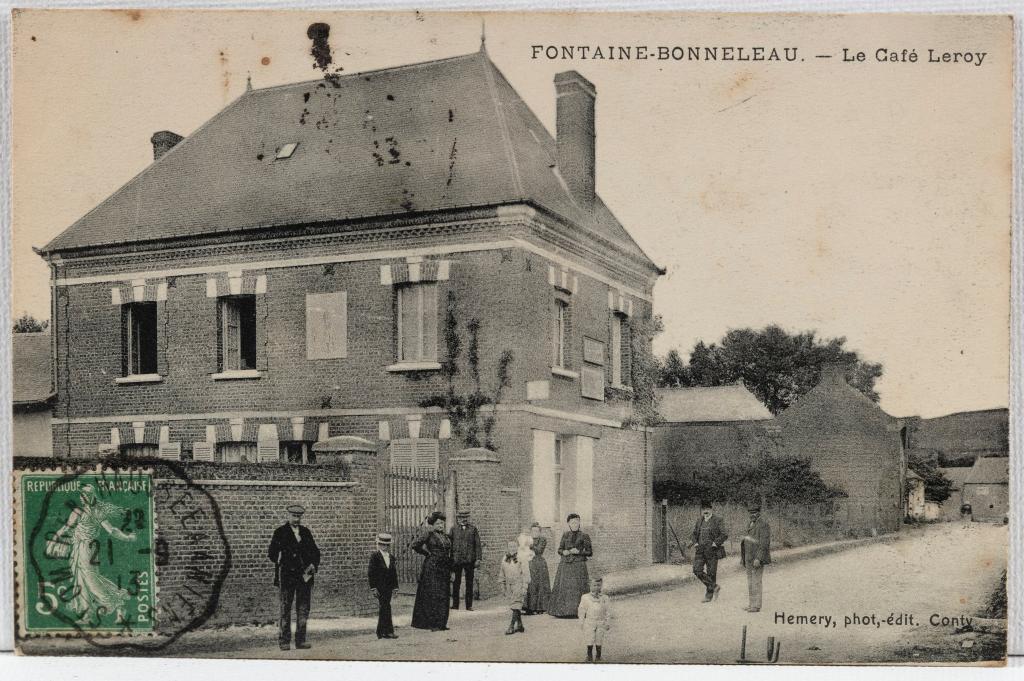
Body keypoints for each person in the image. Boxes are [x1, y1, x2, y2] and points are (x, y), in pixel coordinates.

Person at [46, 484, 137, 624]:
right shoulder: (77, 512)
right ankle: (88, 614)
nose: (82, 498)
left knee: (92, 581)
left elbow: (111, 530)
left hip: (89, 548)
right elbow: (66, 528)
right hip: (77, 548)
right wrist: (53, 540)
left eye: (85, 495)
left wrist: (128, 538)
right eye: (81, 495)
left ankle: (118, 605)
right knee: (81, 580)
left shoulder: (97, 512)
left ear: (91, 496)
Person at [268, 504, 321, 650]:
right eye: (294, 516)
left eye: (298, 517)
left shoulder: (306, 532)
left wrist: (313, 565)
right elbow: (272, 553)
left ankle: (300, 640)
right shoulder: (280, 532)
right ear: (288, 516)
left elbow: (316, 552)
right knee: (285, 608)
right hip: (287, 577)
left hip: (304, 577)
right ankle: (284, 641)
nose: (296, 519)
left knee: (303, 608)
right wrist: (279, 558)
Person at [410, 511, 452, 631]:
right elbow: (415, 545)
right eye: (438, 523)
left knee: (443, 594)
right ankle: (432, 624)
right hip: (432, 568)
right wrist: (427, 553)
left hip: (444, 567)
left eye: (442, 523)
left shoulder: (445, 536)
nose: (440, 525)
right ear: (433, 524)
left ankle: (442, 623)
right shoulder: (428, 533)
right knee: (433, 595)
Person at [548, 513, 593, 618]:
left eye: (577, 522)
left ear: (579, 523)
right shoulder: (565, 535)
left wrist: (579, 551)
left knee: (578, 588)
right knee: (566, 588)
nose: (575, 524)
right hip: (566, 565)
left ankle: (578, 611)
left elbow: (590, 552)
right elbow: (559, 549)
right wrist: (563, 552)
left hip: (579, 565)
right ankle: (564, 612)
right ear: (569, 523)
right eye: (572, 522)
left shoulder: (584, 536)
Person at [687, 500, 727, 603]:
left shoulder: (718, 520)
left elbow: (724, 534)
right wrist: (695, 542)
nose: (705, 511)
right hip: (700, 550)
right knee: (697, 570)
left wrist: (715, 543)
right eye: (704, 509)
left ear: (711, 509)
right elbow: (694, 534)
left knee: (711, 573)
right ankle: (714, 586)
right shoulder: (699, 520)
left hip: (712, 551)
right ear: (702, 510)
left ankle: (708, 596)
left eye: (707, 509)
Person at [740, 501, 771, 613]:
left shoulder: (763, 525)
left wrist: (759, 558)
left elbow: (764, 544)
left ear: (759, 513)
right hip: (748, 558)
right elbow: (746, 542)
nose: (752, 515)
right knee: (750, 581)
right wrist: (743, 558)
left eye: (755, 512)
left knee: (756, 581)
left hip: (756, 559)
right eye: (750, 513)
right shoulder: (749, 524)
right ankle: (751, 604)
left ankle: (756, 605)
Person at [367, 532, 399, 639]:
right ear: (378, 544)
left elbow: (394, 574)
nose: (384, 547)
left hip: (389, 587)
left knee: (385, 607)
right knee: (385, 607)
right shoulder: (375, 557)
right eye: (382, 544)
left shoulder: (391, 557)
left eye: (387, 545)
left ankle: (382, 631)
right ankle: (386, 631)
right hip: (380, 587)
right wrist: (373, 588)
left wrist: (395, 587)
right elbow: (371, 573)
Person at [449, 509, 482, 610]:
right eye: (461, 518)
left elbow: (478, 545)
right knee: (456, 583)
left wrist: (478, 559)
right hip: (457, 560)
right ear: (458, 518)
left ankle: (469, 605)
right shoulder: (453, 529)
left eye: (465, 518)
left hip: (469, 560)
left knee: (469, 583)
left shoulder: (473, 529)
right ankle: (455, 605)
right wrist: (450, 559)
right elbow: (450, 545)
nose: (464, 519)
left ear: (468, 518)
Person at [499, 538, 532, 635]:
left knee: (516, 604)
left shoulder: (522, 557)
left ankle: (511, 626)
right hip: (509, 585)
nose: (512, 548)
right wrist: (502, 585)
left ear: (517, 547)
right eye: (510, 546)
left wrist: (525, 586)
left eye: (514, 546)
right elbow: (502, 572)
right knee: (514, 605)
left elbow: (526, 573)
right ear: (507, 547)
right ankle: (520, 625)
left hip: (519, 583)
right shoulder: (505, 558)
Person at [578, 577, 612, 663]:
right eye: (594, 585)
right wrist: (581, 621)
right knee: (590, 638)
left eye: (598, 585)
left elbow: (608, 611)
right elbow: (582, 610)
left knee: (599, 638)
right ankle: (589, 656)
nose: (596, 587)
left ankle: (598, 656)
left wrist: (607, 622)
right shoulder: (585, 597)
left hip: (601, 621)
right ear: (590, 586)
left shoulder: (605, 598)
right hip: (590, 621)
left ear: (601, 586)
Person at [523, 521, 551, 615]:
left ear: (539, 532)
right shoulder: (528, 539)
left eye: (537, 531)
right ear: (531, 532)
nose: (535, 533)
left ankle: (540, 607)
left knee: (540, 584)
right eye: (533, 531)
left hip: (539, 564)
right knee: (531, 584)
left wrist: (530, 545)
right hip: (530, 563)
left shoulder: (542, 540)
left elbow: (539, 550)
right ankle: (530, 607)